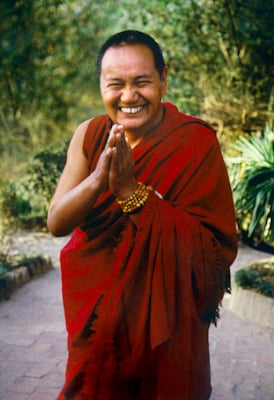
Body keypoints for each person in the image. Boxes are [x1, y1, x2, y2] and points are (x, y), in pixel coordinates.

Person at [47, 30, 238, 400]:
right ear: (101, 84)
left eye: (142, 82)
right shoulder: (88, 134)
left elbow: (213, 251)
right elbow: (56, 222)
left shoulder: (195, 142)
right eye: (115, 84)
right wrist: (100, 179)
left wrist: (131, 193)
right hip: (96, 322)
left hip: (167, 332)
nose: (128, 96)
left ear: (164, 79)